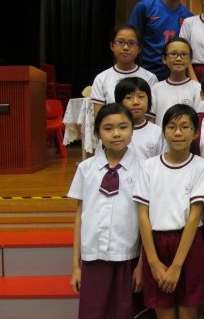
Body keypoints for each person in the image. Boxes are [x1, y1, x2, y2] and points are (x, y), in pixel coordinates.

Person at [133, 104, 204, 319]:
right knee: (163, 310)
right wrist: (153, 262)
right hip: (155, 244)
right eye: (172, 127)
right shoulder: (149, 166)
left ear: (195, 133)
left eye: (185, 127)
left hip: (189, 244)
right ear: (163, 131)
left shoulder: (200, 166)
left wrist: (176, 266)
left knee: (188, 309)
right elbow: (142, 215)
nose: (178, 133)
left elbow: (194, 216)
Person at [68, 103, 142, 319]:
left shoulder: (144, 169)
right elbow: (80, 216)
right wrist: (76, 266)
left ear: (132, 130)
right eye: (108, 128)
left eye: (123, 127)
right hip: (93, 258)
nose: (116, 134)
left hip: (127, 257)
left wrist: (141, 266)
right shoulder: (86, 169)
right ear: (97, 133)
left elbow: (146, 219)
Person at [128, 0, 194, 80]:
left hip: (175, 75)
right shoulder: (145, 7)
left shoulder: (189, 17)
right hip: (145, 74)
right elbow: (131, 41)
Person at [91, 25, 158, 118]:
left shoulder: (150, 78)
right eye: (120, 42)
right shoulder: (101, 79)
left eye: (131, 43)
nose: (125, 47)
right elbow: (99, 117)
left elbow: (151, 116)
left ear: (139, 48)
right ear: (112, 46)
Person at [151, 38, 203, 126]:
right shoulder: (156, 88)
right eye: (173, 54)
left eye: (184, 54)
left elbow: (199, 121)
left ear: (190, 59)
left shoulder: (197, 88)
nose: (179, 58)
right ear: (164, 59)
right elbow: (151, 121)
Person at [114, 77, 166, 161]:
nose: (136, 102)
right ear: (119, 102)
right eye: (129, 97)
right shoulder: (113, 132)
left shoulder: (157, 132)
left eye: (141, 97)